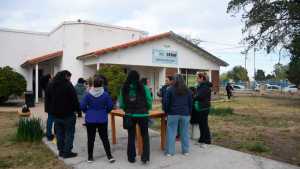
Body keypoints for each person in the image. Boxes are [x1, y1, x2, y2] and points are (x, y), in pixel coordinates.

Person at [45, 70, 81, 158]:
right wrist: (78, 110)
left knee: (59, 134)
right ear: (65, 76)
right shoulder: (68, 85)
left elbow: (48, 99)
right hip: (68, 114)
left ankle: (61, 151)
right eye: (69, 77)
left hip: (56, 115)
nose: (69, 79)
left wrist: (51, 110)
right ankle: (67, 152)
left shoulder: (51, 85)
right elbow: (74, 99)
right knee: (69, 133)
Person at [118, 70, 152, 164]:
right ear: (138, 77)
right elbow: (149, 101)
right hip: (143, 114)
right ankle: (145, 157)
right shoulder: (144, 87)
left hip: (130, 115)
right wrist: (147, 109)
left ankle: (131, 158)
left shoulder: (124, 88)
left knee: (131, 136)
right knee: (145, 135)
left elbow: (121, 103)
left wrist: (126, 109)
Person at [80, 77, 115, 163]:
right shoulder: (105, 94)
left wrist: (87, 112)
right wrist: (105, 111)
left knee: (90, 138)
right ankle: (109, 156)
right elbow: (110, 106)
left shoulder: (88, 94)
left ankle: (90, 157)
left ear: (93, 84)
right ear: (101, 84)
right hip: (102, 118)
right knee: (104, 138)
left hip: (90, 118)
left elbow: (82, 106)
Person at [164, 74, 192, 156]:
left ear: (174, 80)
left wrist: (167, 112)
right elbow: (191, 103)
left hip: (173, 113)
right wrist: (189, 113)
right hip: (185, 113)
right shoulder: (188, 90)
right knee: (185, 132)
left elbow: (166, 103)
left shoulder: (170, 89)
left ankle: (169, 152)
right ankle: (186, 151)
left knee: (171, 132)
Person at [194, 72, 212, 144]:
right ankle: (202, 139)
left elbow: (199, 96)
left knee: (204, 124)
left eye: (197, 78)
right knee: (202, 124)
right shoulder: (201, 86)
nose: (196, 79)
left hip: (204, 108)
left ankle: (206, 139)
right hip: (201, 107)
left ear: (202, 78)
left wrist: (194, 96)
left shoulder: (204, 86)